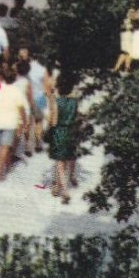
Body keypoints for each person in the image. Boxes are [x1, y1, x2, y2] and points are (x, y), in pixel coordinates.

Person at [46, 72, 81, 203]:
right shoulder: (75, 102)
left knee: (60, 162)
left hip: (60, 131)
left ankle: (65, 191)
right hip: (71, 131)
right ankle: (58, 186)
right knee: (67, 159)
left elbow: (53, 121)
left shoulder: (56, 102)